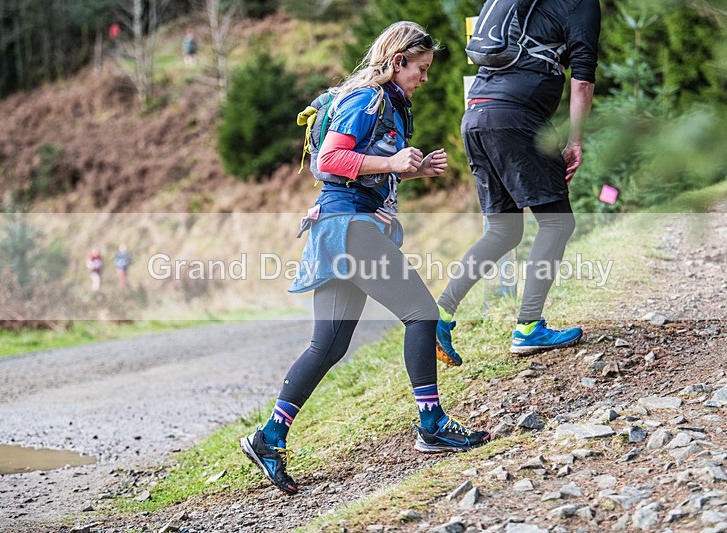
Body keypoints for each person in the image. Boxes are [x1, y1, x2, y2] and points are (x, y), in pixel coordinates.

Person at [240, 21, 490, 495]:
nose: (424, 76)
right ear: (397, 61)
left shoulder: (391, 106)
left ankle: (268, 437)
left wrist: (410, 170)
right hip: (350, 229)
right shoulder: (367, 99)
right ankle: (431, 423)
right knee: (422, 314)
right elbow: (330, 162)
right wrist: (395, 163)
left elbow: (365, 171)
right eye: (420, 68)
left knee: (329, 344)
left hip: (335, 231)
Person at [435, 0, 601, 364]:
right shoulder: (580, 3)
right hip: (515, 118)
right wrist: (575, 139)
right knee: (558, 223)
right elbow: (583, 80)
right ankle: (528, 328)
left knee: (504, 231)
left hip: (476, 113)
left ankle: (441, 314)